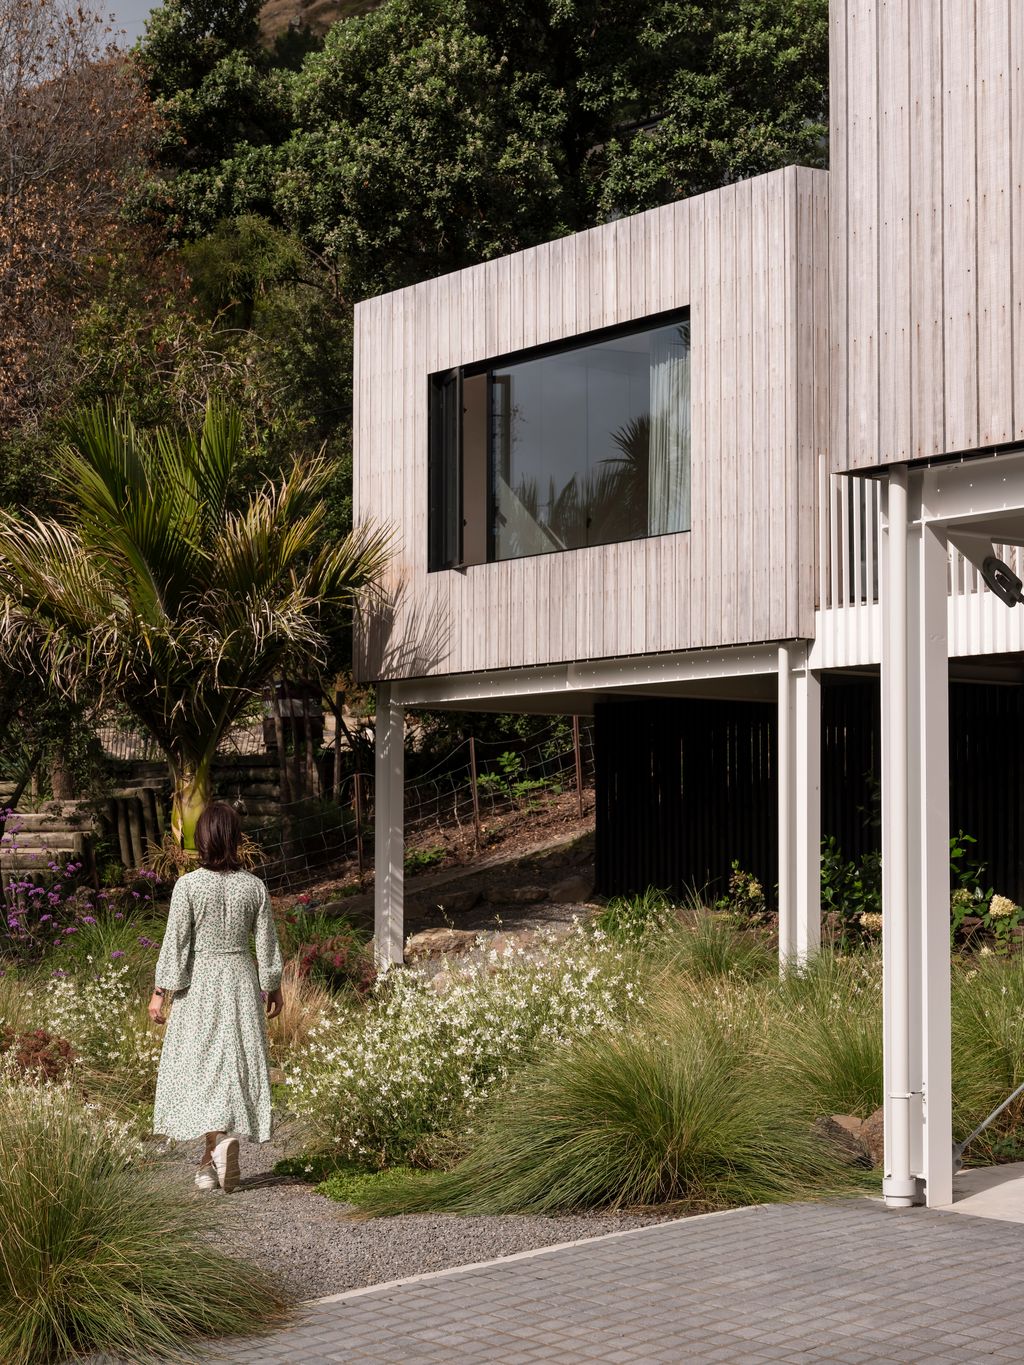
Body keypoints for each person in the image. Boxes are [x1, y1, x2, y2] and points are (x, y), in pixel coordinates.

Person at [149, 801, 284, 1193]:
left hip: (201, 984)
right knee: (231, 1064)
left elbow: (176, 945)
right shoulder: (253, 887)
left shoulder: (188, 886)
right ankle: (209, 1163)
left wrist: (161, 993)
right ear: (235, 838)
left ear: (203, 839)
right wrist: (272, 983)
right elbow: (267, 943)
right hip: (241, 979)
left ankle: (216, 1150)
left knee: (204, 1067)